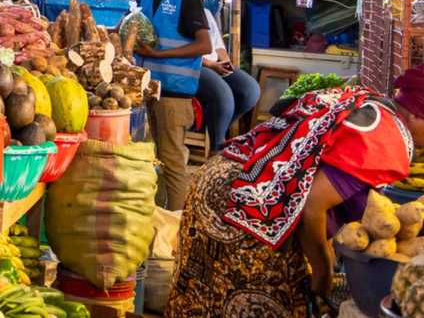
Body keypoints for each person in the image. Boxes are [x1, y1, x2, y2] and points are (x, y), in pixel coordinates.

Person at [166, 70, 424, 317]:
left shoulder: (373, 105)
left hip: (223, 179)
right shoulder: (390, 139)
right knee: (256, 299)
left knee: (206, 295)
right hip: (242, 204)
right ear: (414, 114)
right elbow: (312, 205)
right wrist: (322, 271)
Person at [132, 0, 211, 210]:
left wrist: (159, 55)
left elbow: (204, 44)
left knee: (173, 164)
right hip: (146, 91)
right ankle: (156, 229)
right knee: (150, 164)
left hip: (174, 94)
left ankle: (176, 231)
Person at [181, 0, 260, 151]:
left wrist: (226, 65)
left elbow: (218, 47)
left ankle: (213, 127)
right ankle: (217, 147)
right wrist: (211, 65)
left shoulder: (207, 13)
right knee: (224, 97)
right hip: (195, 65)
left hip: (214, 64)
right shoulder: (180, 15)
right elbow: (185, 50)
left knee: (249, 90)